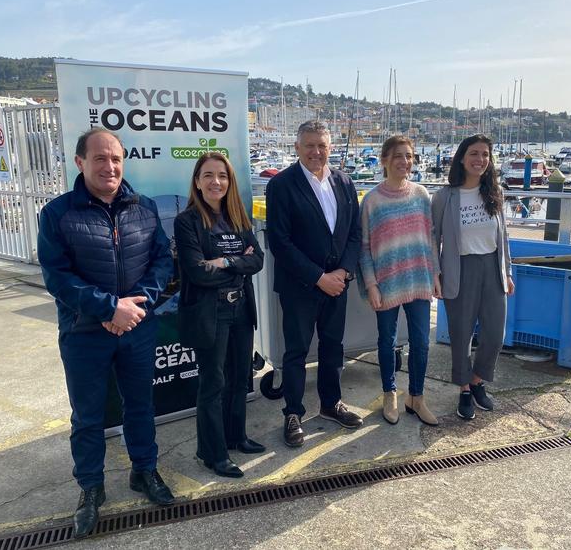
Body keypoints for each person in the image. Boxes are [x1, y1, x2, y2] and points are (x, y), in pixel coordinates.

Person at [37, 128, 175, 539]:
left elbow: (162, 263)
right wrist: (107, 307)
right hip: (84, 334)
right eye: (100, 158)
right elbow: (57, 277)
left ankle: (144, 472)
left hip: (137, 328)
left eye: (115, 158)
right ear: (80, 163)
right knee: (87, 416)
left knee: (140, 406)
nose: (109, 166)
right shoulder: (57, 214)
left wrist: (134, 306)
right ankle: (91, 489)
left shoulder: (145, 209)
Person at [266, 120, 363, 447]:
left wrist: (344, 273)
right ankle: (293, 412)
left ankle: (330, 403)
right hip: (301, 288)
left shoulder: (345, 182)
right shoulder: (281, 185)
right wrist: (318, 277)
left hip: (338, 285)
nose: (316, 152)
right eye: (309, 145)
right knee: (296, 351)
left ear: (330, 147)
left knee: (333, 347)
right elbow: (280, 243)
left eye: (322, 145)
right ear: (297, 148)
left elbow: (354, 235)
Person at [174, 152, 265, 478]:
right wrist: (239, 262)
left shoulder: (237, 218)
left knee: (241, 376)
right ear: (197, 182)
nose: (216, 182)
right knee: (213, 382)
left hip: (241, 308)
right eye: (209, 175)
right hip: (210, 313)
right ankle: (211, 453)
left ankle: (236, 436)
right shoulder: (187, 222)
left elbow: (259, 261)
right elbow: (198, 273)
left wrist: (225, 263)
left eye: (222, 176)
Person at [431, 133, 515, 421]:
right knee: (461, 334)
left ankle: (478, 380)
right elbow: (434, 238)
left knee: (494, 334)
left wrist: (508, 271)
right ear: (462, 158)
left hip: (493, 268)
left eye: (485, 155)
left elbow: (503, 237)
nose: (480, 160)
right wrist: (436, 274)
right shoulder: (445, 196)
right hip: (460, 268)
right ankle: (465, 388)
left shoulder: (495, 192)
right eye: (474, 154)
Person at [358, 136, 441, 426]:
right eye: (397, 156)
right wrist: (370, 284)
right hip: (386, 282)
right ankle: (390, 393)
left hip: (418, 279)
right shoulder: (372, 201)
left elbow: (431, 238)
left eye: (408, 156)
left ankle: (416, 398)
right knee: (387, 342)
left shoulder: (421, 194)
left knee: (421, 342)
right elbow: (364, 247)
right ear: (384, 160)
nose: (404, 162)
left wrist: (435, 274)